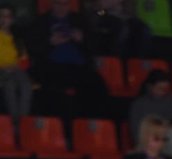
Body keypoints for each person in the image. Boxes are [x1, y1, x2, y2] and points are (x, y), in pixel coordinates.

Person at [28, 0, 108, 117]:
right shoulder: (40, 22)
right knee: (53, 90)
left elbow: (95, 45)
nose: (61, 7)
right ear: (52, 4)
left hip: (80, 66)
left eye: (65, 4)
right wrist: (50, 42)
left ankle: (91, 122)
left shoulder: (80, 20)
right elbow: (33, 48)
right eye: (58, 3)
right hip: (52, 66)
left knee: (97, 85)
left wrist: (82, 39)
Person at [0, 3, 32, 136]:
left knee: (26, 85)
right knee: (10, 85)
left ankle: (22, 123)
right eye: (1, 16)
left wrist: (16, 66)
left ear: (12, 20)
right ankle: (14, 124)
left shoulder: (17, 38)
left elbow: (25, 61)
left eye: (7, 16)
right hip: (1, 70)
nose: (3, 19)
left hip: (16, 70)